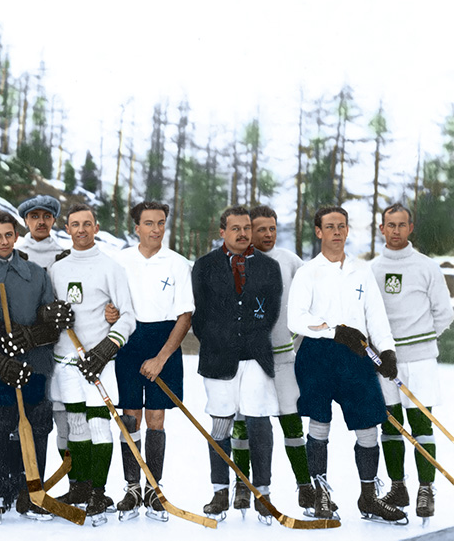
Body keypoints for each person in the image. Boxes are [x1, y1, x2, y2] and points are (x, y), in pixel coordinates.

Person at [287, 205, 405, 523]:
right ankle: (320, 495)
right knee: (319, 425)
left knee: (368, 427)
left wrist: (388, 352)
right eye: (330, 226)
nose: (337, 231)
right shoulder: (307, 272)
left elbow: (376, 316)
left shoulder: (361, 271)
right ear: (318, 231)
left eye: (342, 226)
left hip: (357, 357)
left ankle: (368, 498)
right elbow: (295, 318)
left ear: (347, 230)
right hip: (318, 356)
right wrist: (332, 330)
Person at [0, 211, 70, 519]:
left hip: (36, 364)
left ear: (16, 236)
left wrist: (29, 337)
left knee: (38, 425)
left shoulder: (37, 274)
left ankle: (32, 492)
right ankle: (1, 489)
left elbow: (52, 325)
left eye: (8, 235)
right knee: (2, 426)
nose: (3, 241)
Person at [191, 206, 280, 521]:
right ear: (222, 231)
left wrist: (247, 335)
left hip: (255, 356)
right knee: (220, 424)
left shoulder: (268, 267)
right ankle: (219, 491)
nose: (242, 234)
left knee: (258, 421)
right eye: (235, 228)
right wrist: (221, 340)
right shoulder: (204, 266)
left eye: (246, 228)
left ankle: (263, 493)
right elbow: (199, 316)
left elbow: (268, 312)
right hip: (218, 358)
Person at [52, 202, 136, 524]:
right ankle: (81, 488)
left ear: (96, 228)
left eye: (87, 224)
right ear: (67, 229)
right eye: (75, 224)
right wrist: (49, 316)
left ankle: (99, 491)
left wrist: (105, 349)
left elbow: (127, 316)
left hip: (99, 360)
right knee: (75, 425)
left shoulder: (111, 267)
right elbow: (50, 313)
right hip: (66, 358)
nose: (82, 230)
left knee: (99, 425)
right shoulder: (57, 269)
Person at [371, 203, 453, 520]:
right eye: (390, 225)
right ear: (382, 229)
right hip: (383, 361)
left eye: (401, 225)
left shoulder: (427, 267)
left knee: (421, 426)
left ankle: (425, 490)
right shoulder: (373, 269)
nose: (395, 230)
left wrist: (418, 339)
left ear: (411, 227)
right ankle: (398, 486)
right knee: (390, 426)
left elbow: (443, 314)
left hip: (419, 360)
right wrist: (379, 350)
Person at [114, 201, 193, 521]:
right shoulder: (120, 262)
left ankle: (153, 488)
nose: (156, 229)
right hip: (130, 339)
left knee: (156, 418)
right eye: (149, 223)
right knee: (130, 416)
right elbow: (111, 306)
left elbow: (185, 315)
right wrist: (111, 313)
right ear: (136, 228)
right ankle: (132, 487)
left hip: (165, 340)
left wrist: (162, 357)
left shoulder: (177, 263)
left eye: (161, 223)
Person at [241, 205, 313, 512]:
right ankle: (246, 489)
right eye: (261, 229)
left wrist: (295, 343)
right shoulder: (238, 261)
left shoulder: (290, 261)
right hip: (247, 361)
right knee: (245, 423)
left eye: (272, 228)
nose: (268, 234)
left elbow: (310, 302)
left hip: (283, 359)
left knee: (291, 421)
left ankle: (305, 487)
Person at [15, 195, 72, 464]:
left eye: (46, 216)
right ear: (25, 220)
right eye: (34, 216)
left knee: (55, 410)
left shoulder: (64, 254)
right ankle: (19, 480)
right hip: (22, 340)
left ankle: (61, 479)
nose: (41, 222)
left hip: (57, 341)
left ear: (54, 220)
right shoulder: (15, 253)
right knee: (21, 410)